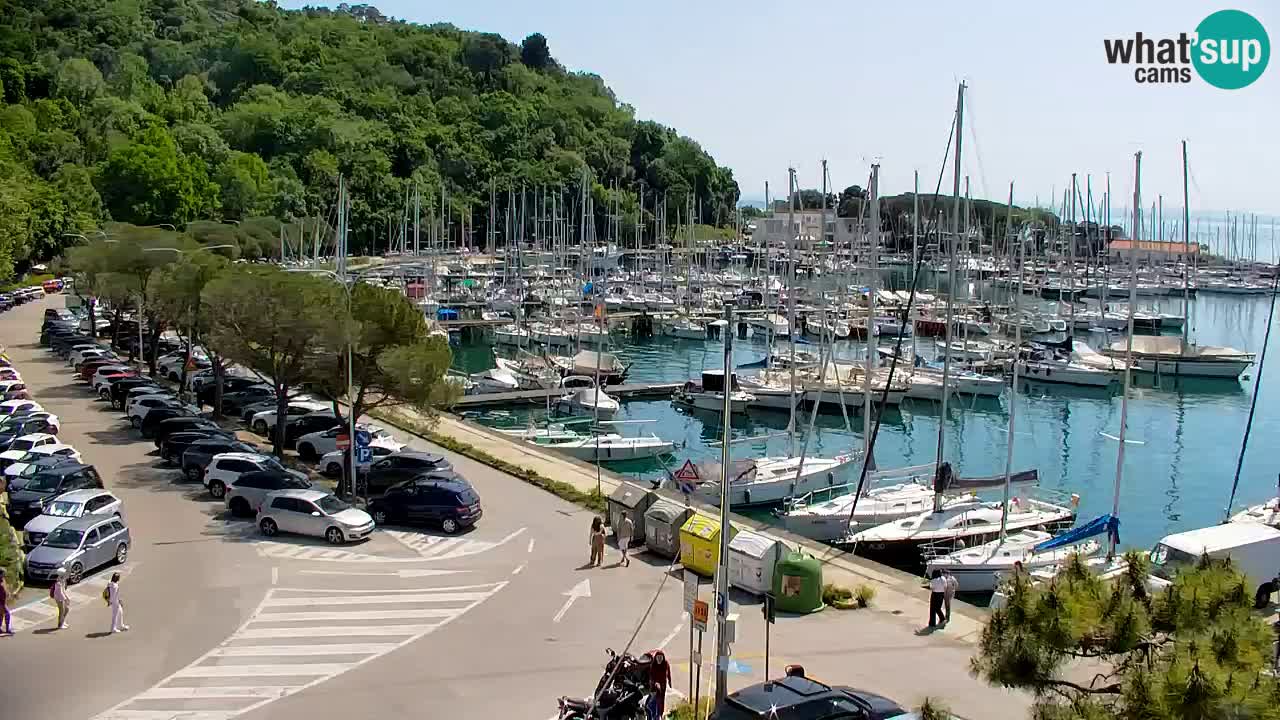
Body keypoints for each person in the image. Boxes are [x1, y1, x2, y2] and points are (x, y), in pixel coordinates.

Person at [648, 650, 672, 719]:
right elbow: (651, 676)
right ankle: (655, 714)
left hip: (663, 685)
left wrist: (670, 682)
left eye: (660, 658)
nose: (659, 659)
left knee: (662, 700)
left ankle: (661, 713)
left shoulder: (666, 664)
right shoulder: (653, 665)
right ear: (655, 658)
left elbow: (669, 673)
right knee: (655, 700)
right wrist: (655, 683)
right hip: (654, 686)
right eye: (658, 657)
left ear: (663, 658)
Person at [0, 568, 12, 635]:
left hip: (3, 601)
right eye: (3, 573)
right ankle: (7, 629)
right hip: (1, 602)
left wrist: (8, 593)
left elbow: (5, 588)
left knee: (1, 615)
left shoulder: (3, 580)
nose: (4, 574)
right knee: (7, 614)